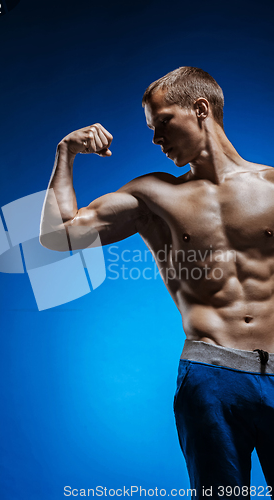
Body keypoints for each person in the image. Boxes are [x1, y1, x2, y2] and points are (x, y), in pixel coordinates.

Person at [39, 67, 274, 498]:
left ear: (200, 109)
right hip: (212, 374)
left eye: (162, 122)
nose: (155, 139)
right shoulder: (153, 197)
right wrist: (65, 153)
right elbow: (57, 237)